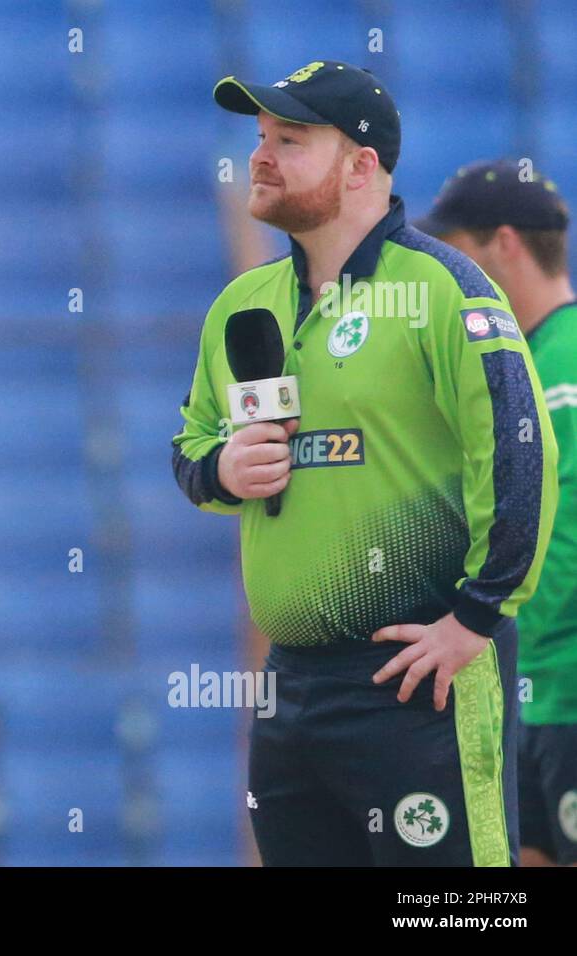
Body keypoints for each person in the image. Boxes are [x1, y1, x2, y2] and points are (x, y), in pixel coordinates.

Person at [171, 60, 557, 865]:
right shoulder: (241, 307)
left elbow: (521, 452)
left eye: (291, 139)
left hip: (420, 682)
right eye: (261, 137)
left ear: (361, 166)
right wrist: (223, 471)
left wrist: (477, 618)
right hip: (291, 691)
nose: (262, 156)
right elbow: (190, 446)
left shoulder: (444, 289)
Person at [416, 160, 577, 866]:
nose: (449, 273)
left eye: (458, 250)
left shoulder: (565, 360)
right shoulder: (519, 358)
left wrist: (492, 621)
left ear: (505, 243)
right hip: (528, 689)